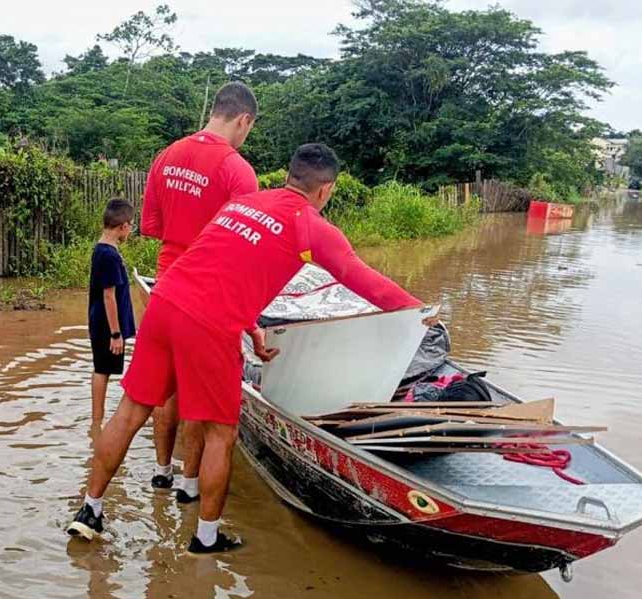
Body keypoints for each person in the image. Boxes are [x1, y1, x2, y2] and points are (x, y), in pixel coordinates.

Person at [68, 143, 431, 553]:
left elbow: (219, 264)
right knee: (221, 434)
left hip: (166, 302)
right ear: (326, 189)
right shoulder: (309, 226)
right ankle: (206, 537)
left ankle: (90, 511)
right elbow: (359, 277)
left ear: (289, 176)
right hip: (207, 324)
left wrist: (251, 325)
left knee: (130, 411)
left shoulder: (244, 205)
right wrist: (419, 312)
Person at [140, 81, 260, 501]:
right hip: (208, 292)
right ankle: (190, 488)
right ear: (243, 119)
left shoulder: (166, 156)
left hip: (165, 283)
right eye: (249, 129)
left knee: (165, 388)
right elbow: (246, 249)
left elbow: (152, 227)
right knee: (199, 397)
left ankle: (160, 473)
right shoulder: (238, 170)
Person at [88, 199, 137, 434]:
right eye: (131, 226)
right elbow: (109, 296)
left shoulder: (104, 249)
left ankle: (96, 420)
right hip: (107, 325)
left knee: (102, 369)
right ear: (123, 226)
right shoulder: (108, 255)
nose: (131, 231)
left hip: (102, 322)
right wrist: (116, 333)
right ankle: (96, 423)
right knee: (102, 370)